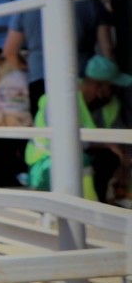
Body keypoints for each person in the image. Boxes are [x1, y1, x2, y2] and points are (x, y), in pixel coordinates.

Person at [24, 54, 127, 203]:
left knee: (107, 159)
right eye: (112, 86)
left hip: (80, 157)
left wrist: (123, 156)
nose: (115, 91)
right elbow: (66, 141)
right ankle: (89, 209)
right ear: (98, 86)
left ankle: (99, 205)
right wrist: (109, 145)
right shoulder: (60, 99)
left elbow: (117, 133)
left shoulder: (109, 104)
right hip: (46, 162)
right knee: (82, 162)